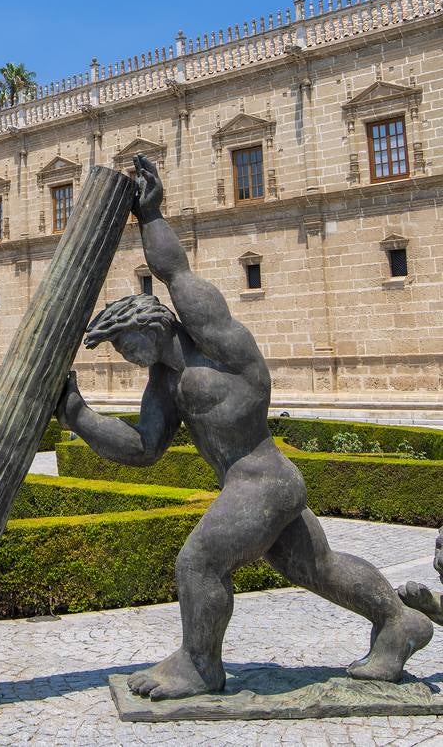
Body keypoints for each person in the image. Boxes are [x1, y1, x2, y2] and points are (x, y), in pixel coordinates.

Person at [56, 153, 432, 701]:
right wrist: (79, 415)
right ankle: (400, 623)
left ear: (147, 325)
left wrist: (151, 216)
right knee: (318, 568)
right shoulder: (165, 383)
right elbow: (142, 448)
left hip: (263, 481)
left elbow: (174, 271)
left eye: (124, 345)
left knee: (200, 561)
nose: (125, 357)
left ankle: (200, 665)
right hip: (259, 485)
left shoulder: (217, 342)